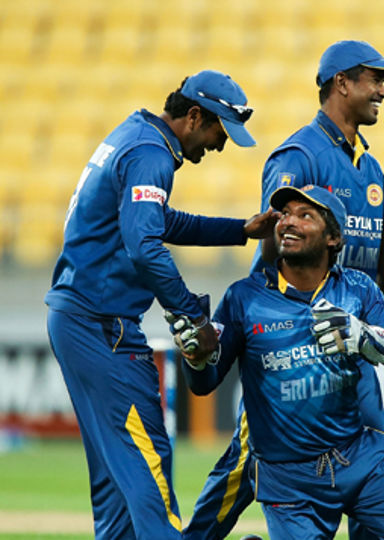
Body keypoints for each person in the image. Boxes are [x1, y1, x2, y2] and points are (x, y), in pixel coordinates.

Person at [184, 41, 384, 540]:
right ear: (342, 83)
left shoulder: (371, 167)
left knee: (375, 459)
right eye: (373, 79)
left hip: (354, 336)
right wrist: (273, 333)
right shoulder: (300, 156)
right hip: (293, 343)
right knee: (249, 464)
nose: (383, 90)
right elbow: (278, 243)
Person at [44, 70, 275, 539]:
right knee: (148, 467)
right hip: (101, 326)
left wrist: (238, 230)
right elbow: (144, 245)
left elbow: (158, 221)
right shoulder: (153, 155)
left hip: (74, 317)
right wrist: (192, 314)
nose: (220, 146)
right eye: (219, 132)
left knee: (116, 482)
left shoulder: (133, 135)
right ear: (194, 116)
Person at [173, 184, 384, 540]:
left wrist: (364, 337)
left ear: (333, 238)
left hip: (359, 461)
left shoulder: (357, 289)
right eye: (284, 214)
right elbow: (204, 384)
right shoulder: (244, 297)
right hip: (288, 481)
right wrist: (196, 358)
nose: (288, 223)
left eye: (305, 215)